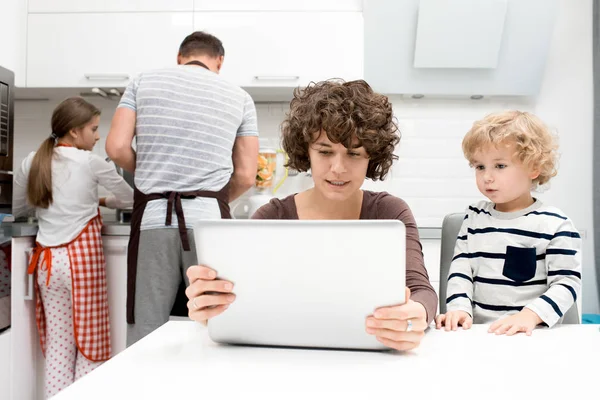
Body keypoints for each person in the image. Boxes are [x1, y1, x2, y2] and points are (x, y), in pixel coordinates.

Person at [185, 80, 438, 352]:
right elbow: (239, 303)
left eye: (354, 154)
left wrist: (416, 316)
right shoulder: (272, 217)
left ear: (371, 158)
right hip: (282, 358)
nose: (338, 168)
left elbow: (422, 291)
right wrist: (209, 305)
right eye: (325, 151)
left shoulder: (390, 212)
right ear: (306, 151)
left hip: (372, 357)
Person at [106, 31, 259, 346]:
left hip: (152, 221)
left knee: (146, 328)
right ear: (219, 61)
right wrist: (207, 202)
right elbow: (246, 175)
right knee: (215, 323)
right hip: (209, 225)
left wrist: (152, 173)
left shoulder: (142, 82)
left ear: (180, 57)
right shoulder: (240, 96)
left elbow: (117, 147)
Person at [12, 97, 134, 398]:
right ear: (75, 132)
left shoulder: (32, 160)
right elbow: (131, 199)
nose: (97, 135)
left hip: (47, 264)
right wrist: (101, 200)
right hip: (81, 263)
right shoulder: (90, 162)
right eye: (93, 129)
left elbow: (19, 207)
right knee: (90, 345)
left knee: (58, 345)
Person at [436, 111, 582, 335]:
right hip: (479, 335)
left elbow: (567, 283)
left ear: (534, 168)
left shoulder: (555, 225)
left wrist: (530, 315)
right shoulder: (474, 218)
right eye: (480, 167)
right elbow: (461, 271)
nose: (487, 177)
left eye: (500, 166)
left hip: (532, 335)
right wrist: (459, 309)